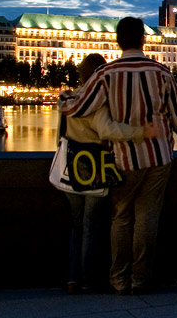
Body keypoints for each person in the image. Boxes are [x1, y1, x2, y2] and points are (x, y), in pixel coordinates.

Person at [59, 17, 177, 295]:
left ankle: (118, 278)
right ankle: (141, 279)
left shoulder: (106, 74)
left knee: (121, 217)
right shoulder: (161, 72)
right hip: (159, 156)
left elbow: (79, 107)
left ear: (117, 41)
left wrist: (63, 99)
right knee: (148, 217)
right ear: (143, 39)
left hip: (123, 158)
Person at [59, 53, 159, 294]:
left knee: (75, 225)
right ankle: (89, 280)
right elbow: (108, 130)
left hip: (68, 167)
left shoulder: (67, 99)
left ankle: (72, 278)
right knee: (91, 224)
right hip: (93, 168)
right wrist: (141, 132)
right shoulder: (97, 103)